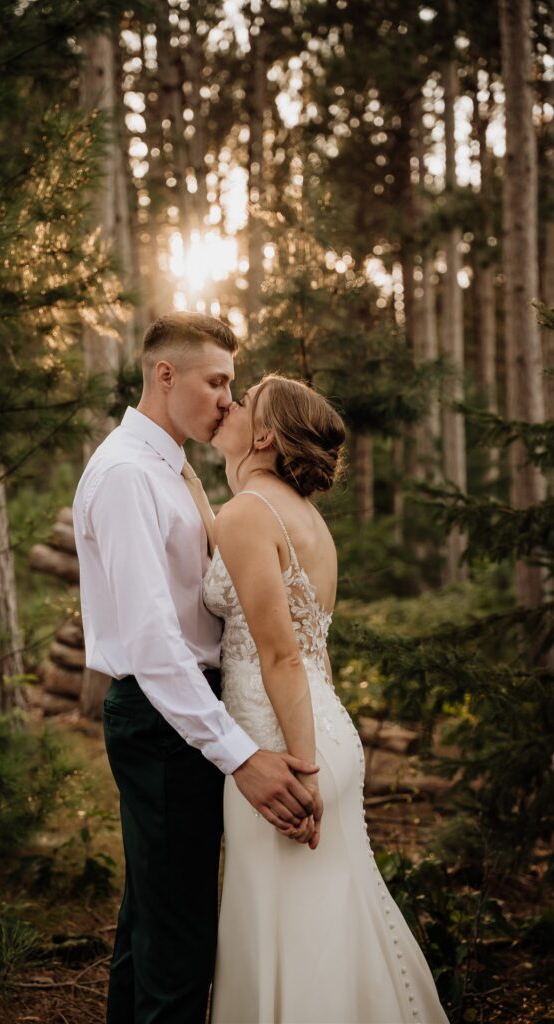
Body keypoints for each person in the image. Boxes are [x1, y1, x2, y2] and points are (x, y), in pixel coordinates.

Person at [72, 314, 319, 1024]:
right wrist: (240, 755)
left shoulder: (167, 467)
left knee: (150, 927)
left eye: (231, 385)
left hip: (179, 714)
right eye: (216, 382)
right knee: (179, 947)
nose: (227, 400)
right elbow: (153, 645)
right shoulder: (125, 475)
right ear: (165, 375)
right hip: (161, 721)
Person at [204, 374, 450, 1024]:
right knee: (332, 927)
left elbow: (280, 654)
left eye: (244, 399)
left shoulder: (247, 515)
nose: (228, 403)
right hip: (323, 727)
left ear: (264, 434)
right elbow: (316, 654)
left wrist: (303, 768)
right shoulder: (305, 520)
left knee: (281, 934)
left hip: (280, 747)